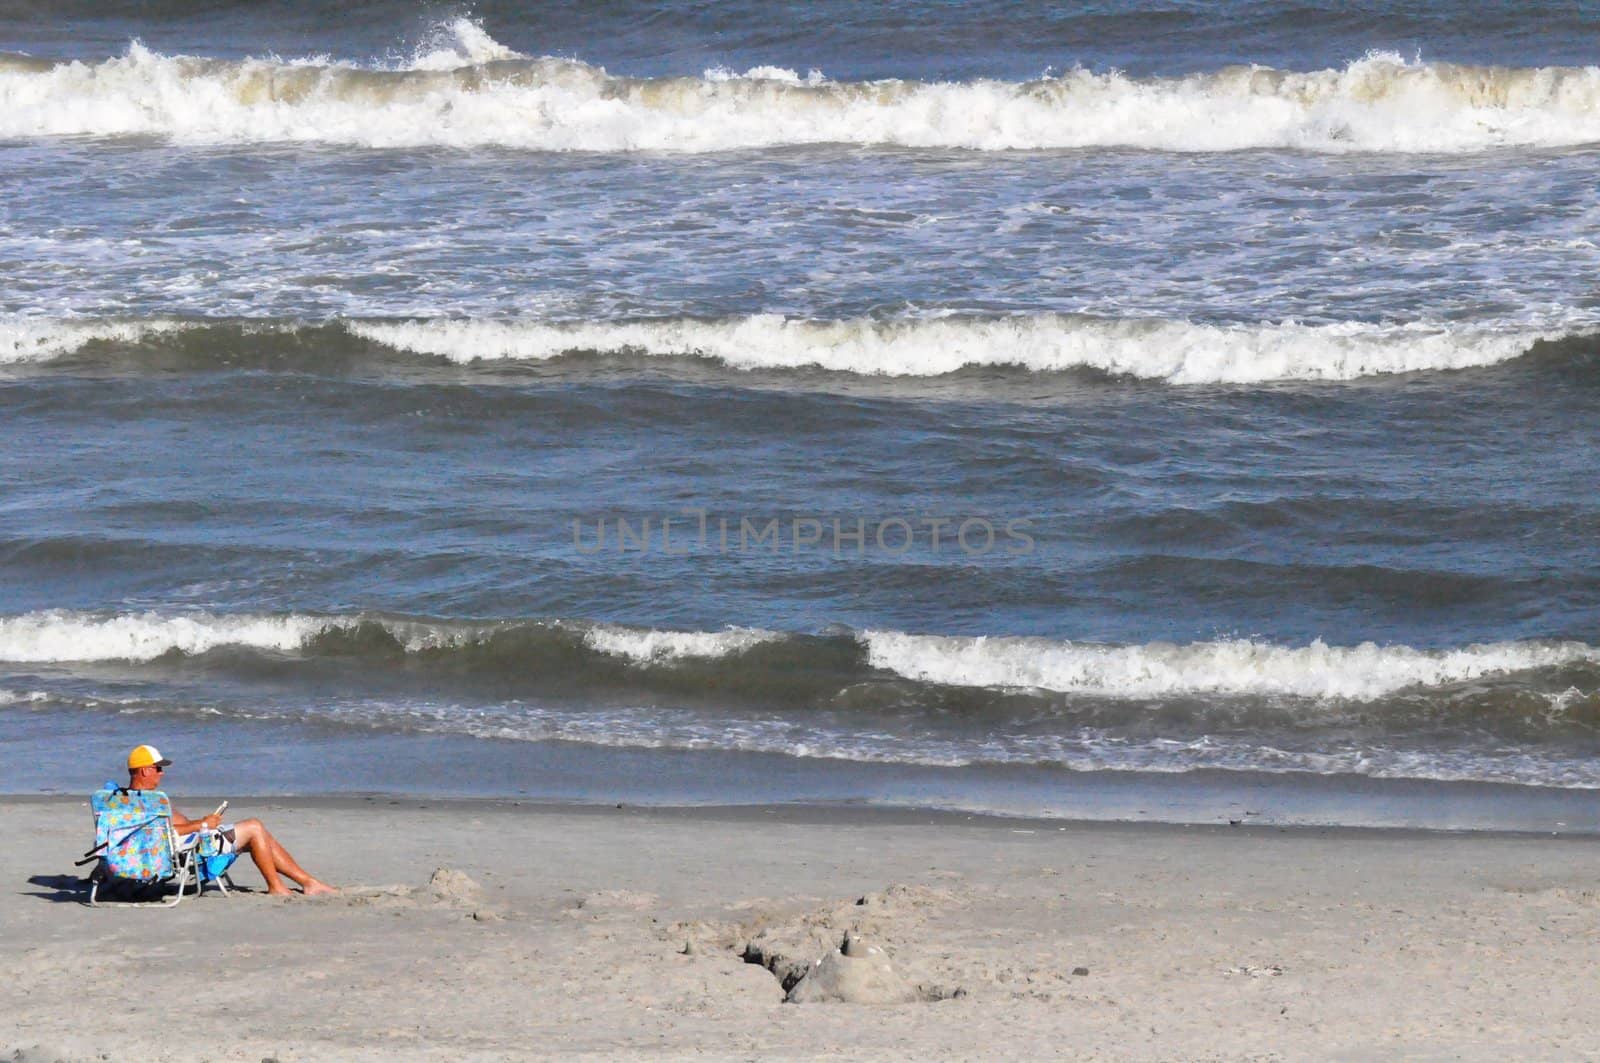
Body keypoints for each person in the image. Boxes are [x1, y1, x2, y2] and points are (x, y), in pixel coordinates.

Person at [125, 744, 337, 897]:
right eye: (158, 768)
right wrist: (203, 825)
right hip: (190, 849)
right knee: (254, 827)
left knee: (260, 834)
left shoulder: (121, 800)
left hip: (179, 843)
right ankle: (278, 887)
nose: (162, 774)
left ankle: (307, 882)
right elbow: (165, 834)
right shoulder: (150, 801)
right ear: (144, 770)